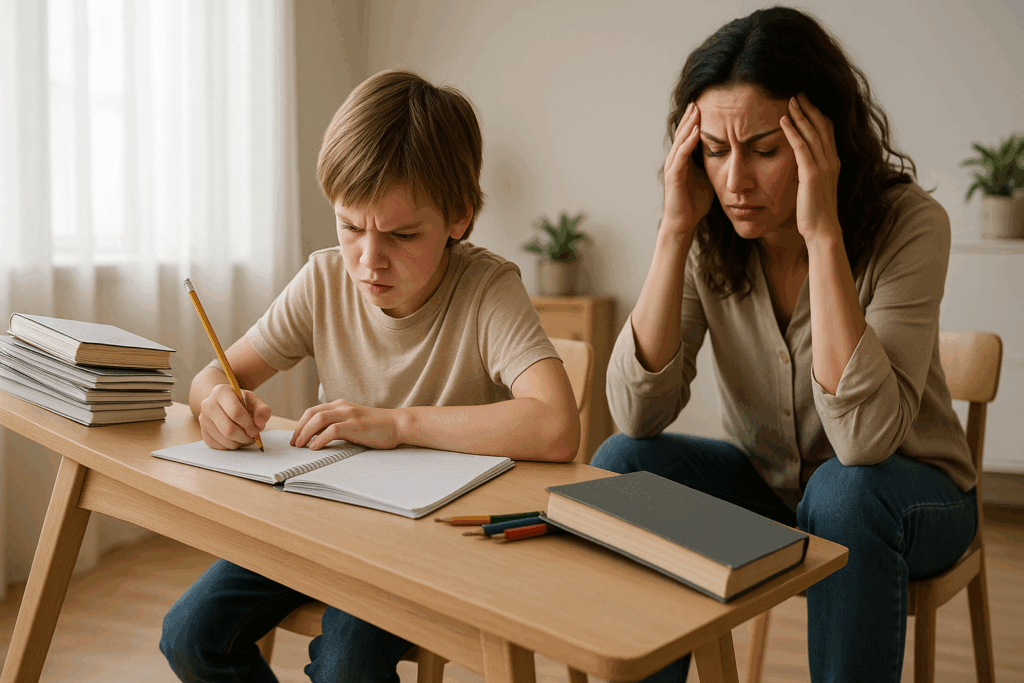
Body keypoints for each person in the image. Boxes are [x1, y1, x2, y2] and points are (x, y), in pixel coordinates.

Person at [594, 7, 977, 683]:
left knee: (843, 492)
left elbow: (863, 442)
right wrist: (674, 231)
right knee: (625, 463)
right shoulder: (708, 226)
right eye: (715, 150)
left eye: (765, 150)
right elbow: (636, 414)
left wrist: (822, 231)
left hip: (914, 500)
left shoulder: (910, 224)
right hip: (775, 494)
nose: (735, 180)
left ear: (822, 139)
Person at [159, 69, 580, 683]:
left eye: (402, 234)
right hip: (320, 517)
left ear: (459, 216)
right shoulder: (325, 279)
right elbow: (209, 379)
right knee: (189, 637)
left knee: (346, 670)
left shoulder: (488, 289)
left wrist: (396, 424)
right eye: (350, 227)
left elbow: (555, 426)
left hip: (426, 536)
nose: (368, 259)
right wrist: (216, 402)